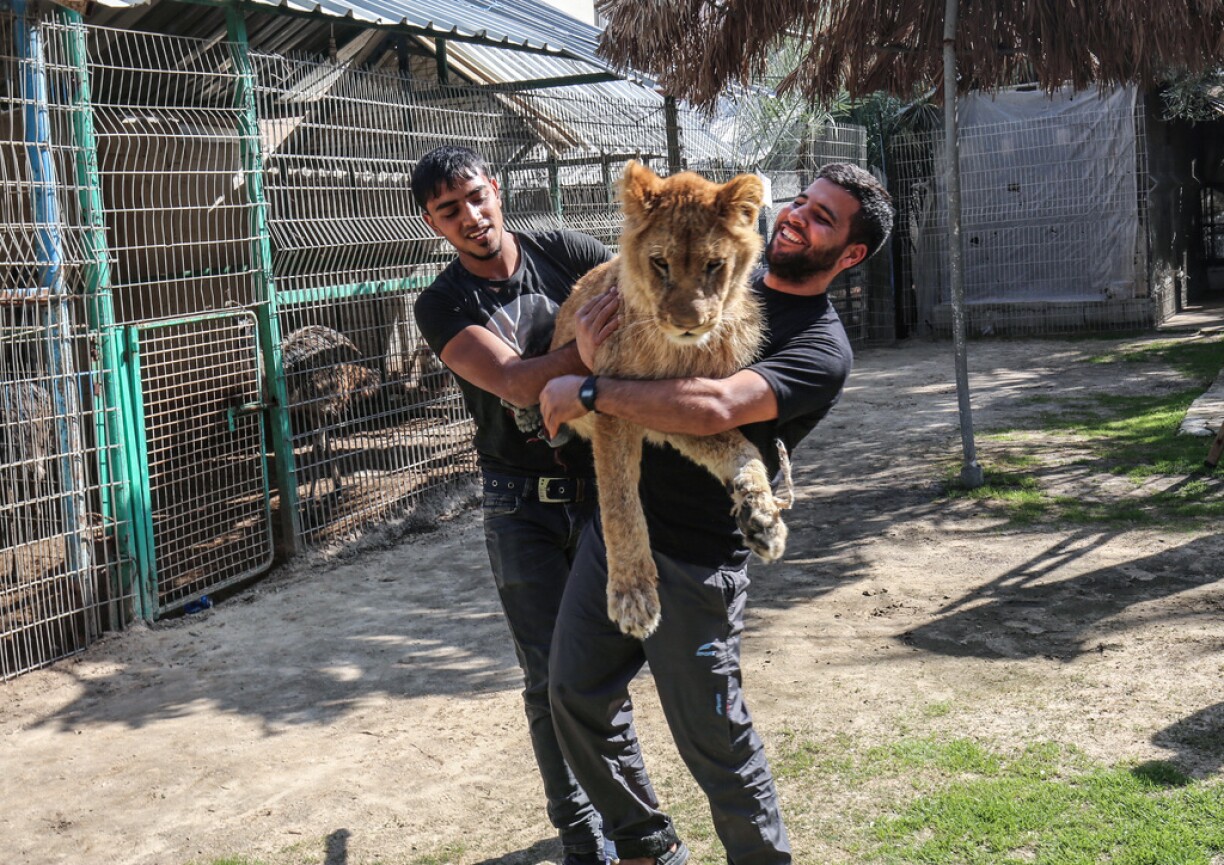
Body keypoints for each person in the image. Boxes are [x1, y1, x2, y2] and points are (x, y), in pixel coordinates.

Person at [539, 163, 895, 865]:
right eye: (803, 203)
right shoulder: (723, 260)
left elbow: (709, 409)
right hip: (615, 539)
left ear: (851, 254)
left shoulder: (821, 346)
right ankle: (646, 843)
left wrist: (588, 387)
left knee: (718, 746)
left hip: (698, 559)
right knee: (572, 695)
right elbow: (639, 281)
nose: (798, 217)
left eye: (824, 219)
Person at [411, 145, 613, 864]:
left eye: (474, 196)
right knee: (547, 678)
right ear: (433, 225)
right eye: (448, 210)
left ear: (496, 190)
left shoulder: (563, 249)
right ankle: (583, 835)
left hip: (601, 488)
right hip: (517, 503)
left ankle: (627, 822)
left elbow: (638, 299)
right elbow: (518, 384)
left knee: (601, 671)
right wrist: (589, 347)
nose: (470, 216)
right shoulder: (440, 303)